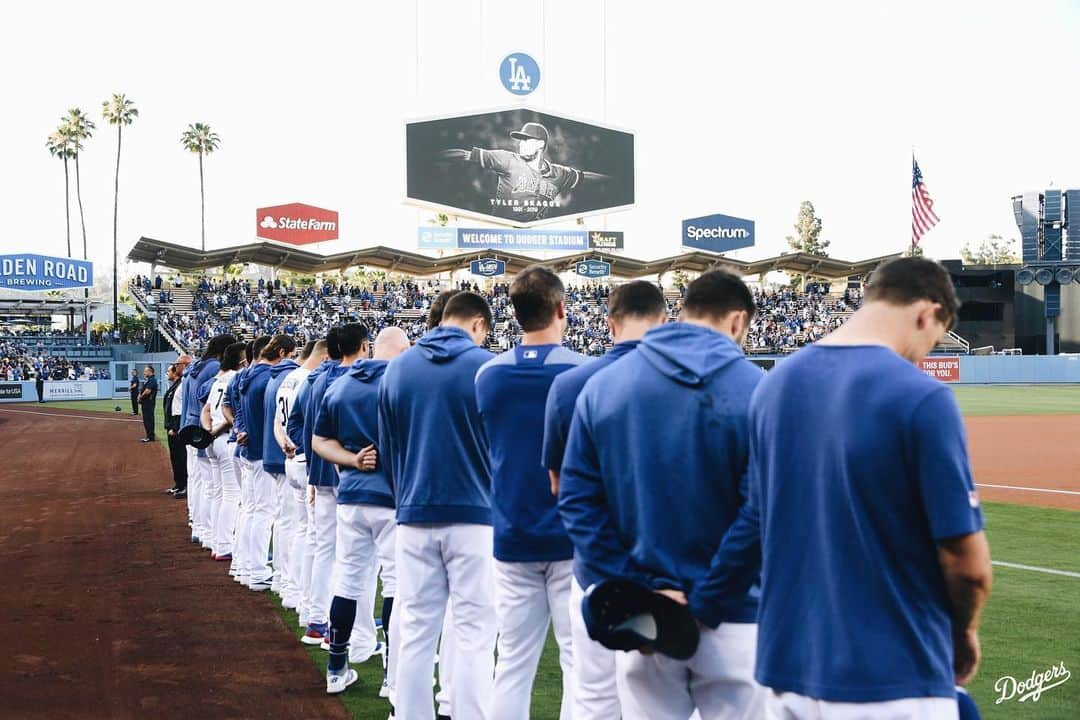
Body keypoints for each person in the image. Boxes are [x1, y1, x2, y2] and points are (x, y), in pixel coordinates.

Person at [744, 257, 992, 718]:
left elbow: (756, 524)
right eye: (931, 343)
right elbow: (968, 565)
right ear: (926, 313)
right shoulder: (922, 396)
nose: (923, 356)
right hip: (892, 676)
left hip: (787, 671)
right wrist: (964, 632)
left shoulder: (771, 387)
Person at [558, 270, 766, 719]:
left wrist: (644, 591)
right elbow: (763, 513)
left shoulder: (605, 386)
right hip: (736, 614)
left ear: (682, 313)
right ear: (738, 321)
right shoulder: (760, 390)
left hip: (645, 619)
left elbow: (576, 502)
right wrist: (706, 601)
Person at [541, 280, 669, 720]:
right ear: (666, 321)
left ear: (609, 324)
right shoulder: (687, 382)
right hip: (665, 567)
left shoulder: (570, 383)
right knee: (654, 703)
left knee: (592, 698)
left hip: (595, 562)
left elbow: (561, 486)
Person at [378, 292, 496, 720]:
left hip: (413, 512)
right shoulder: (487, 366)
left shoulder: (398, 368)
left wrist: (406, 495)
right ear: (478, 324)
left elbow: (387, 450)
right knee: (473, 634)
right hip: (475, 515)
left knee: (414, 631)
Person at [474, 267, 585, 720]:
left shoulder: (488, 375)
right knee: (579, 665)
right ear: (560, 309)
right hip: (571, 535)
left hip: (512, 531)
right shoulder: (583, 373)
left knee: (513, 665)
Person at [313, 326, 410, 696]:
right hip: (393, 499)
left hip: (352, 498)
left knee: (348, 581)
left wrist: (352, 459)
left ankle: (336, 667)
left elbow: (319, 441)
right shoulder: (403, 386)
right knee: (397, 587)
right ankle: (392, 676)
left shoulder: (339, 385)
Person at [296, 326, 358, 645]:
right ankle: (332, 626)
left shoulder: (316, 378)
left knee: (324, 548)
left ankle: (315, 618)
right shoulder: (345, 378)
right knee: (347, 554)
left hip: (320, 471)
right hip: (343, 473)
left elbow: (302, 426)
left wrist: (310, 470)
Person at [439, 122, 609, 222]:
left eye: (526, 140)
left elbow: (584, 176)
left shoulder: (559, 174)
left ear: (541, 145)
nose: (520, 144)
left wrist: (615, 181)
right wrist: (431, 158)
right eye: (520, 140)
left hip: (534, 238)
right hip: (501, 232)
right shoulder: (507, 160)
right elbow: (466, 155)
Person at [237, 334, 297, 592]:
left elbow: (237, 409)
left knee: (252, 511)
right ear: (282, 353)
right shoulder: (268, 377)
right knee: (265, 514)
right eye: (293, 354)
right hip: (264, 451)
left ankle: (246, 566)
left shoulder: (246, 376)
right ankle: (258, 571)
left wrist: (240, 428)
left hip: (250, 450)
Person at [273, 340, 328, 614]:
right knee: (311, 533)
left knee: (295, 526)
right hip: (306, 458)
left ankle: (289, 587)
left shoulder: (288, 378)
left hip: (290, 455)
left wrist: (285, 440)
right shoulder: (311, 379)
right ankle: (303, 597)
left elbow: (279, 421)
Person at [181, 334, 238, 549]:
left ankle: (200, 527)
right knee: (214, 487)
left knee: (199, 481)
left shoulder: (195, 366)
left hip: (193, 427)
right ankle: (207, 532)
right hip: (210, 430)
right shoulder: (214, 368)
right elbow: (210, 401)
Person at [261, 339, 301, 594]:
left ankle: (279, 576)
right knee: (290, 521)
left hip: (274, 449)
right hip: (286, 453)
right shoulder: (294, 377)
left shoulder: (274, 378)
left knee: (281, 518)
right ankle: (285, 579)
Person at [200, 342, 247, 563]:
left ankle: (216, 541)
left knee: (219, 493)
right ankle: (225, 545)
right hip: (224, 439)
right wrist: (216, 430)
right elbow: (232, 415)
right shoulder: (235, 379)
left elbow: (206, 410)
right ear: (242, 360)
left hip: (212, 440)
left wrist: (208, 430)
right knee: (232, 495)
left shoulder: (219, 379)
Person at [163, 364, 187, 495]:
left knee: (181, 457)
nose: (167, 374)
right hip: (171, 426)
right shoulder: (174, 386)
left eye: (169, 371)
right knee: (175, 457)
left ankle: (184, 485)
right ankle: (178, 484)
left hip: (176, 427)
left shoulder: (181, 385)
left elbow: (179, 409)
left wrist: (175, 427)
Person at [137, 365, 159, 443]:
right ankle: (148, 436)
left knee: (149, 420)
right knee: (146, 420)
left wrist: (140, 397)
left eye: (146, 371)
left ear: (150, 372)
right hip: (146, 403)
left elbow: (147, 391)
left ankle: (150, 437)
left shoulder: (152, 380)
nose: (144, 372)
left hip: (149, 403)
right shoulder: (149, 380)